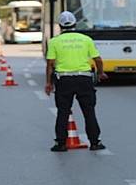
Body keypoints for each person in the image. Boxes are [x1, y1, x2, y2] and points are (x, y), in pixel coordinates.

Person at [45, 11, 107, 152]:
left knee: (63, 112)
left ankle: (61, 143)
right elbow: (97, 59)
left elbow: (50, 64)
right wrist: (101, 73)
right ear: (75, 24)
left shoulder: (54, 41)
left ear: (60, 25)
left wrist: (49, 83)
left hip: (64, 80)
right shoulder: (86, 39)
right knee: (89, 111)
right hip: (84, 79)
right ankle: (95, 142)